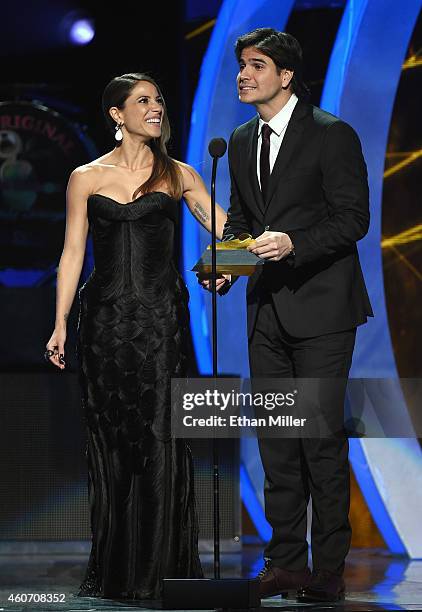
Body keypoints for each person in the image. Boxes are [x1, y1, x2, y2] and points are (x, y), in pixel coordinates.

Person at [202, 29, 373, 602]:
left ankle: (327, 570)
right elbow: (241, 224)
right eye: (241, 66)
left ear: (286, 75)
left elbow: (352, 220)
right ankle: (285, 563)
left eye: (256, 66)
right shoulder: (242, 140)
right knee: (277, 439)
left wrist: (293, 243)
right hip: (267, 314)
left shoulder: (331, 135)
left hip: (323, 312)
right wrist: (226, 264)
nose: (244, 76)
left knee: (319, 439)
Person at [45, 72, 227, 600]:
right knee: (115, 441)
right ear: (116, 114)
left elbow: (229, 233)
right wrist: (59, 323)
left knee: (158, 437)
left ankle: (159, 569)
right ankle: (117, 571)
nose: (155, 108)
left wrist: (228, 266)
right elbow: (72, 253)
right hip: (102, 324)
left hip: (158, 325)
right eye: (142, 101)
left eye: (159, 100)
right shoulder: (85, 176)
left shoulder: (179, 174)